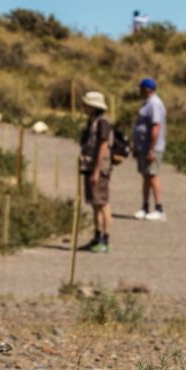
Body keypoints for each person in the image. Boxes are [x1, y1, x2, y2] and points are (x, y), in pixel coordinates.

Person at [78, 91, 113, 253]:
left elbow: (103, 146)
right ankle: (97, 236)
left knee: (102, 204)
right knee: (94, 203)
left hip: (98, 169)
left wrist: (97, 171)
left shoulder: (103, 123)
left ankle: (105, 239)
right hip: (89, 167)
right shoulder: (92, 122)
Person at [132, 77, 166, 221]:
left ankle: (159, 208)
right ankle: (145, 206)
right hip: (143, 147)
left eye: (141, 88)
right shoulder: (147, 103)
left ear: (147, 89)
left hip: (152, 147)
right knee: (146, 176)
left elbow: (156, 127)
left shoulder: (154, 104)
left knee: (153, 175)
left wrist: (152, 149)